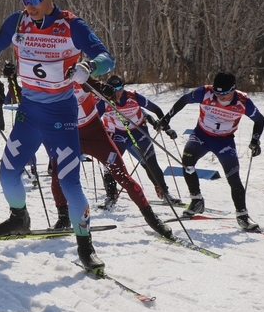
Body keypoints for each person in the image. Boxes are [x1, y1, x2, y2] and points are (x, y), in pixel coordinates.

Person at [0, 0, 115, 272]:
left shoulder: (71, 25)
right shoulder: (18, 21)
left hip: (61, 114)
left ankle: (85, 245)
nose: (30, 5)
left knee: (69, 183)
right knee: (7, 174)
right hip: (29, 112)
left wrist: (89, 66)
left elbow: (107, 57)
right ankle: (19, 218)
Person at [49, 80, 173, 238]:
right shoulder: (51, 83)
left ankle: (152, 218)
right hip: (70, 135)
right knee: (57, 175)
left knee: (123, 177)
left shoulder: (80, 78)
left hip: (95, 136)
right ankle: (63, 218)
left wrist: (105, 89)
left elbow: (99, 86)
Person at [155, 72, 264, 231]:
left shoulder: (243, 102)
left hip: (224, 141)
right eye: (217, 93)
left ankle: (243, 216)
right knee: (187, 162)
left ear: (234, 89)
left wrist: (255, 140)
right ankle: (196, 200)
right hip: (201, 136)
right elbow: (183, 100)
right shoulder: (205, 92)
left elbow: (259, 120)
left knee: (233, 177)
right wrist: (167, 118)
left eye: (225, 94)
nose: (220, 97)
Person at [96, 75, 180, 206]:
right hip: (118, 134)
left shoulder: (133, 97)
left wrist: (166, 127)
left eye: (119, 88)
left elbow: (156, 109)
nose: (117, 92)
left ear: (123, 87)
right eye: (113, 89)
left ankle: (164, 192)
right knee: (110, 165)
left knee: (151, 163)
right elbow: (95, 119)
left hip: (138, 132)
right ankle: (111, 196)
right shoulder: (104, 101)